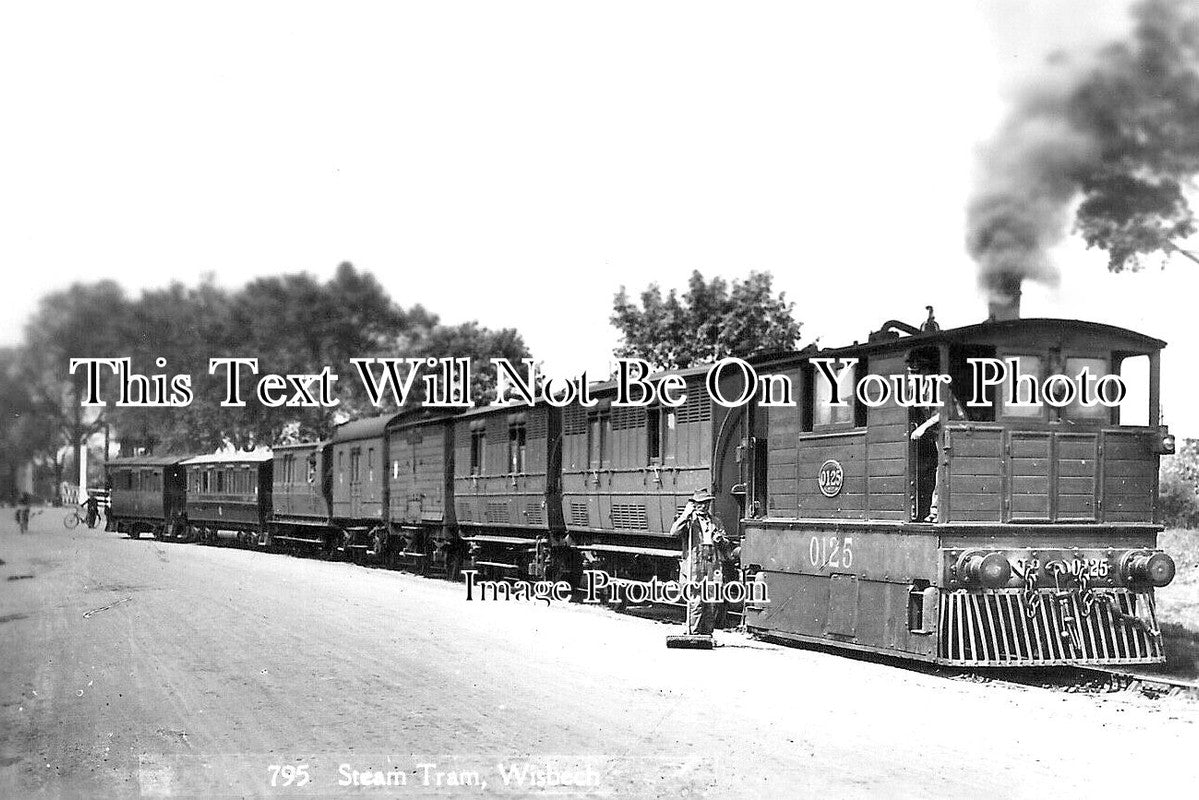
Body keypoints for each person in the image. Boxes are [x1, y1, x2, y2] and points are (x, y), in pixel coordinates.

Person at [669, 487, 728, 637]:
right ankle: (693, 633)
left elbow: (726, 543)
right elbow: (673, 532)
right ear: (694, 505)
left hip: (712, 561)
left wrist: (721, 540)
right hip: (695, 562)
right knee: (695, 599)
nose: (704, 506)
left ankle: (707, 634)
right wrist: (685, 515)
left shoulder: (716, 521)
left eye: (706, 503)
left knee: (711, 599)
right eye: (700, 503)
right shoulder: (688, 521)